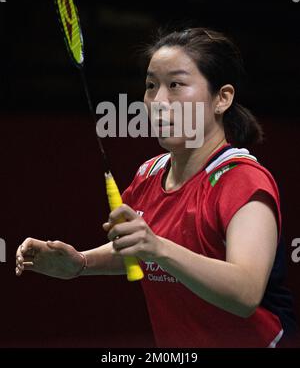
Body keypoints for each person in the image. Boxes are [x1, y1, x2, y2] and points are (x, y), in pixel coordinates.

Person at [16, 27, 296, 348]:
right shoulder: (150, 173)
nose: (158, 101)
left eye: (175, 85)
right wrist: (81, 263)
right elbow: (142, 251)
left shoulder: (241, 179)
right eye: (151, 86)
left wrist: (158, 248)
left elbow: (245, 293)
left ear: (222, 98)